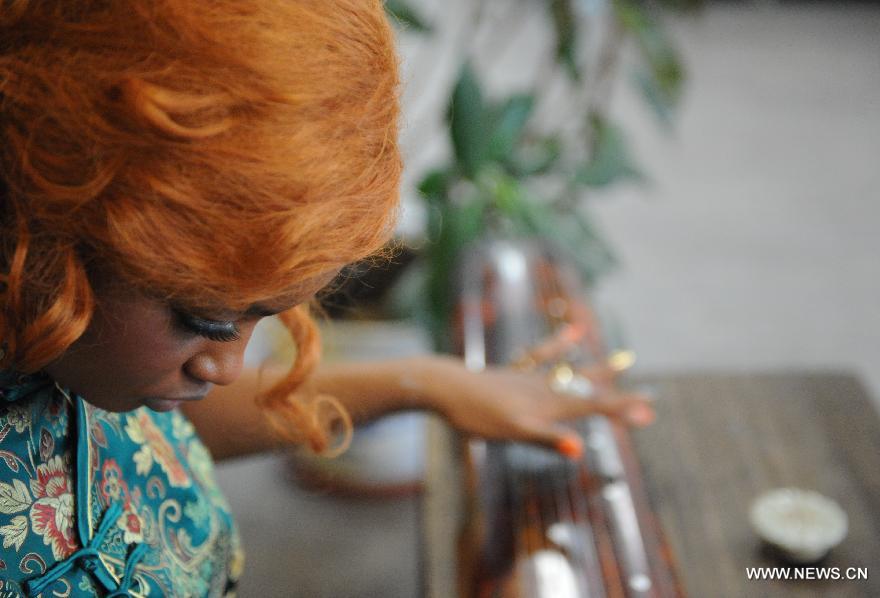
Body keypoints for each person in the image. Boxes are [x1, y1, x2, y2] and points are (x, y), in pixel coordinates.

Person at [0, 1, 651, 596]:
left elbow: (163, 428)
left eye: (265, 315)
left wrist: (428, 384)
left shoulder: (91, 356)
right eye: (202, 318)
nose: (227, 367)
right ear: (55, 215)